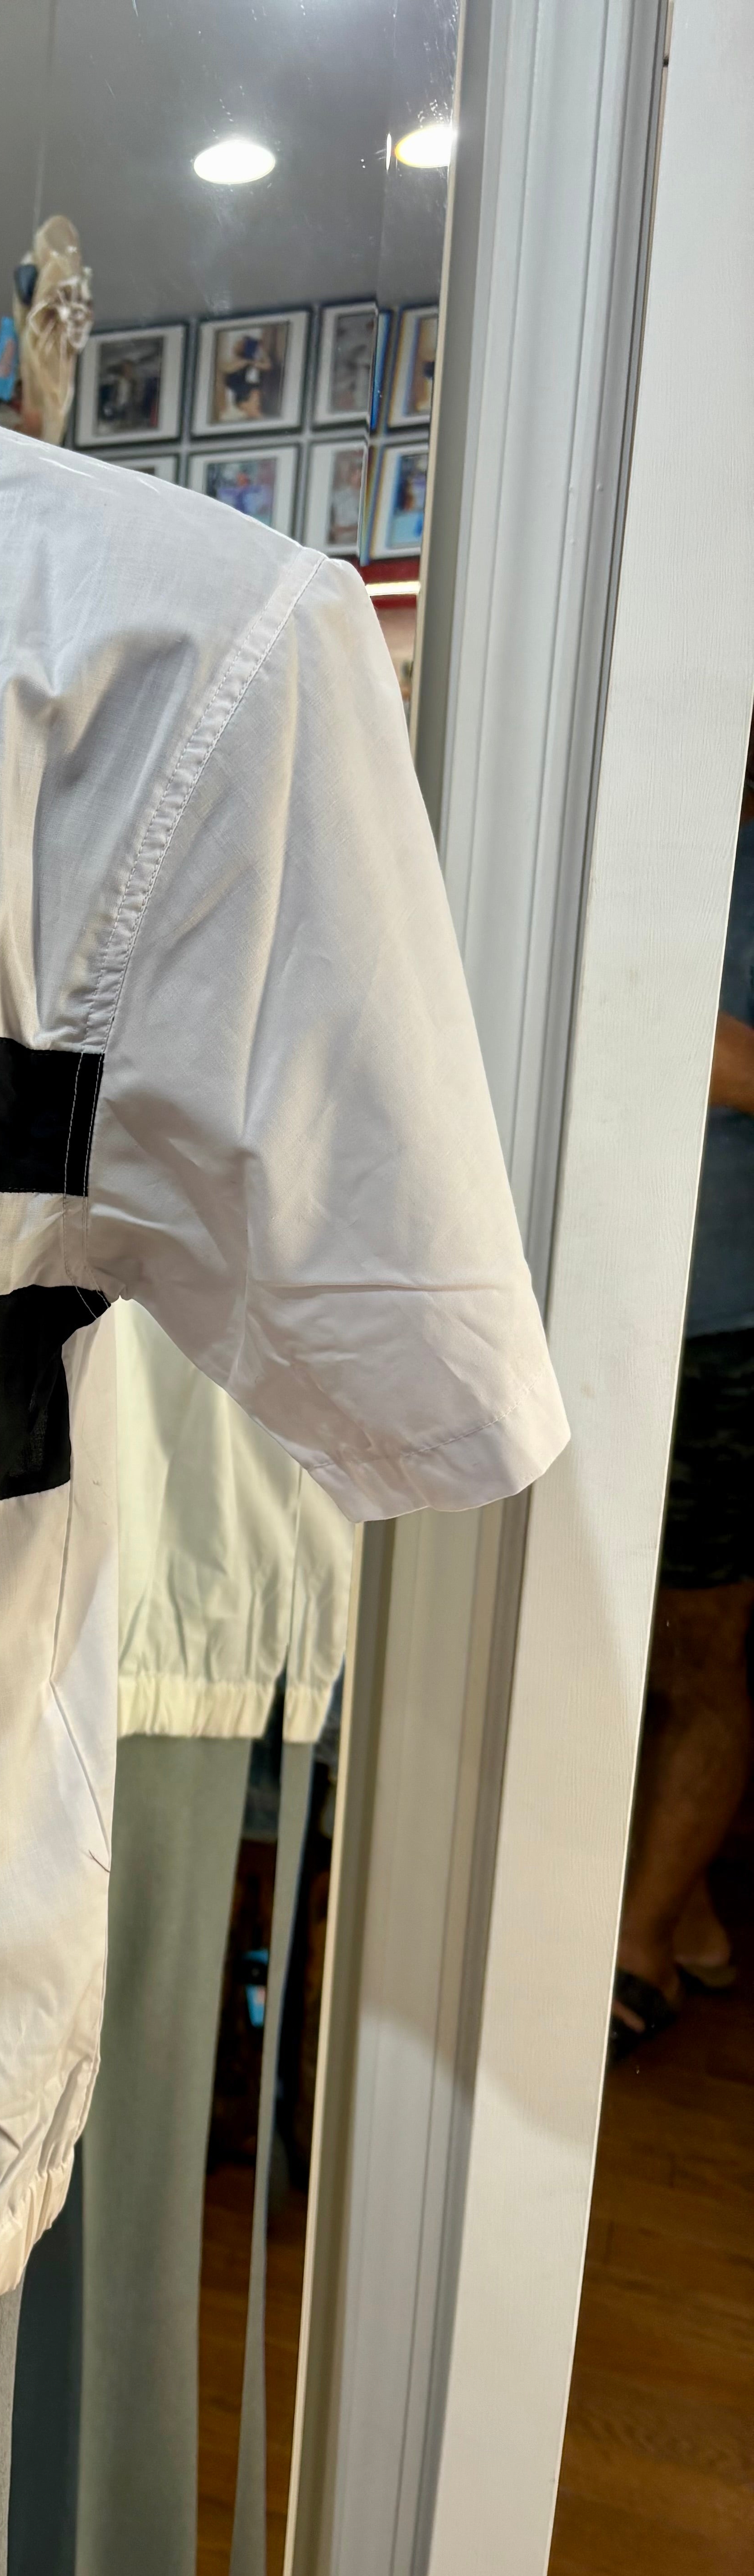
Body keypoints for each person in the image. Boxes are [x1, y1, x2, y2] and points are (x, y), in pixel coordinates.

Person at [612, 717, 754, 2057]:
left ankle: (641, 1941)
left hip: (723, 1329)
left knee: (700, 1650)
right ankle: (685, 1907)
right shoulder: (629, 833)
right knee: (610, 1637)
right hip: (594, 1311)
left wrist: (702, 1050)